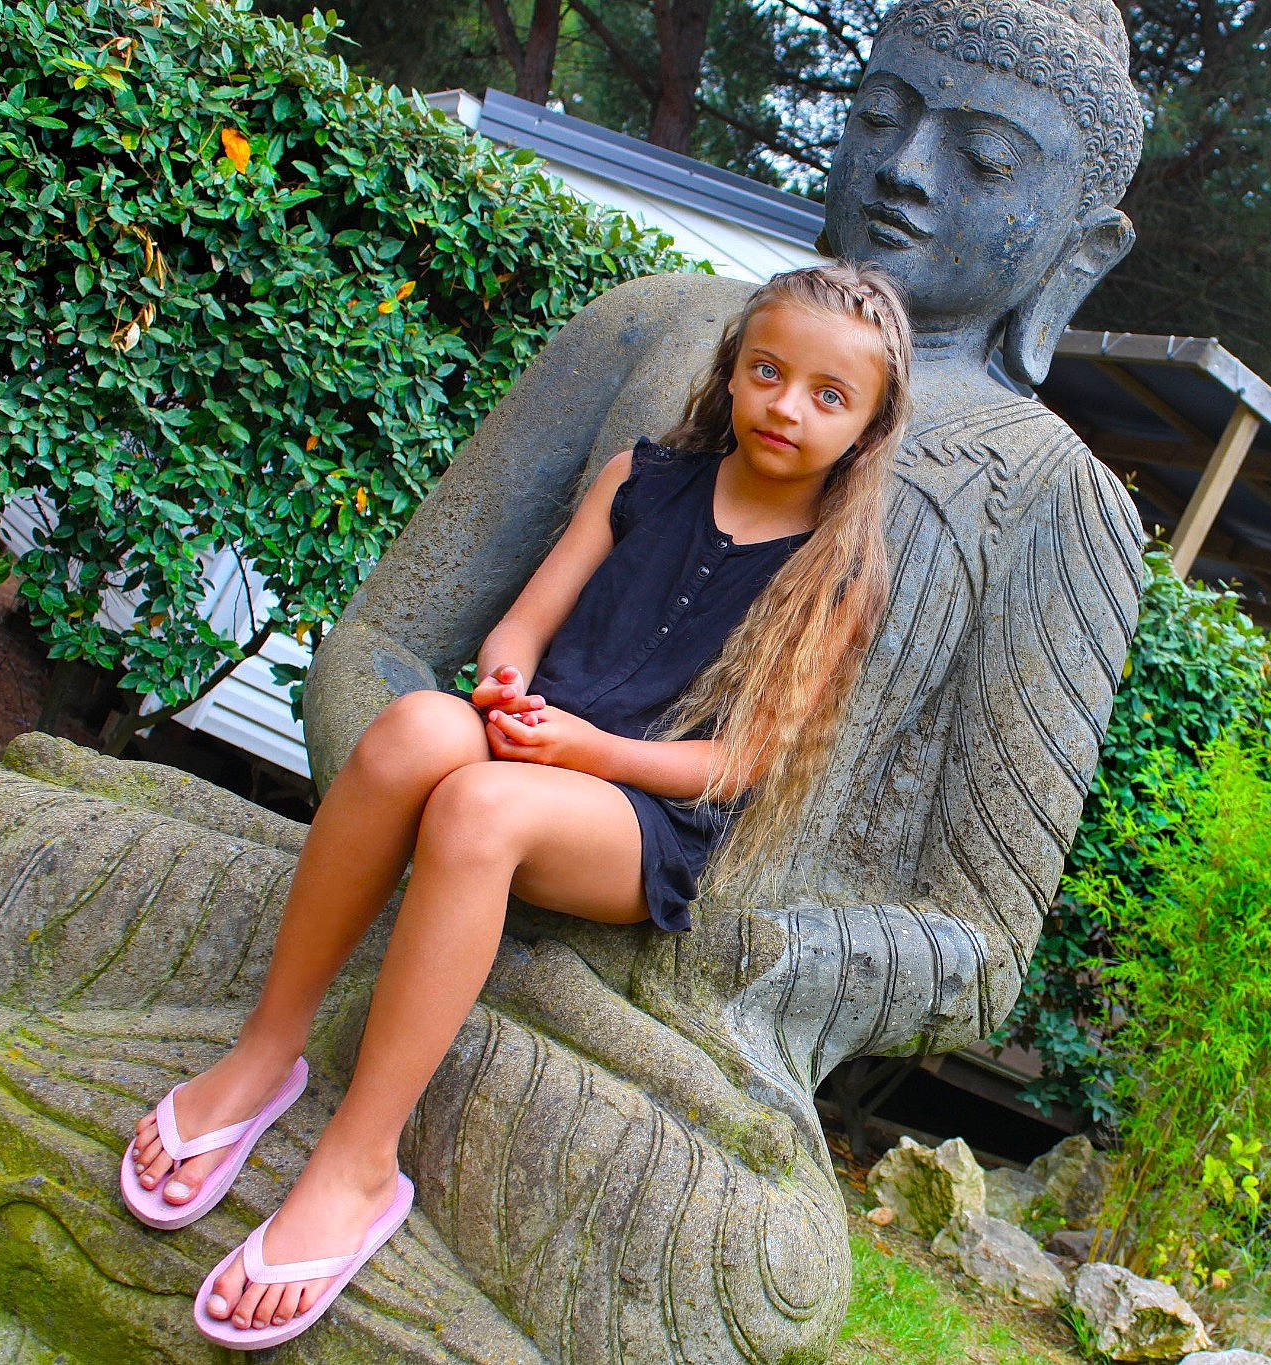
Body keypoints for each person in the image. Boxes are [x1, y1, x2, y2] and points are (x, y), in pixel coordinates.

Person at [117, 262, 915, 1351]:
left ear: (867, 429)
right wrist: (501, 684)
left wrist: (584, 748)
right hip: (532, 736)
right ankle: (266, 1050)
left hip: (634, 816)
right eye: (767, 372)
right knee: (411, 733)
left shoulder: (838, 572)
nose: (785, 406)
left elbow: (733, 767)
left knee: (479, 813)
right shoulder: (642, 475)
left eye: (828, 396)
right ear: (731, 369)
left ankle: (359, 1161)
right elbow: (522, 626)